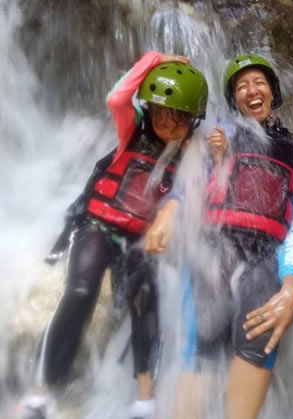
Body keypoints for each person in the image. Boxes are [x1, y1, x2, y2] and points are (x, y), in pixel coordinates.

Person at [145, 53, 293, 419]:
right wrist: (169, 211)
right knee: (204, 338)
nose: (252, 89)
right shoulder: (220, 133)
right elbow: (191, 179)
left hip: (266, 250)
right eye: (243, 85)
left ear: (272, 94)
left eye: (259, 82)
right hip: (217, 241)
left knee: (259, 335)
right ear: (235, 99)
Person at [16, 51, 208, 419]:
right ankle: (42, 387)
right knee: (81, 291)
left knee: (145, 299)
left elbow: (201, 192)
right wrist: (155, 59)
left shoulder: (191, 152)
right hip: (98, 226)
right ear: (149, 114)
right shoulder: (130, 130)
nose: (166, 129)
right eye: (160, 118)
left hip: (140, 240)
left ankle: (144, 401)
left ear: (191, 121)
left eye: (177, 122)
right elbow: (117, 98)